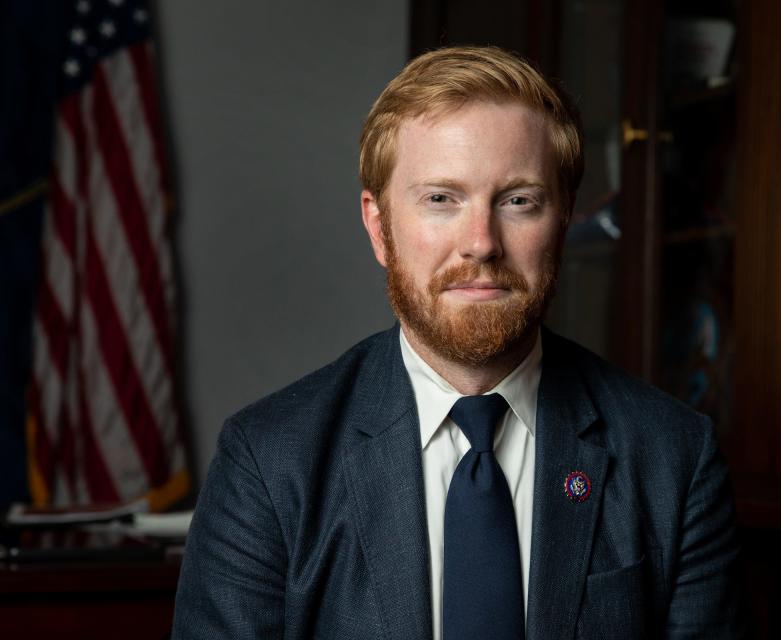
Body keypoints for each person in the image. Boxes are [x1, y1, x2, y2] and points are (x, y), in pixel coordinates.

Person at [172, 45, 744, 639]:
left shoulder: (675, 458)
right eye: (441, 199)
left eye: (518, 201)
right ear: (380, 228)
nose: (481, 243)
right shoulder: (269, 461)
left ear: (565, 218)